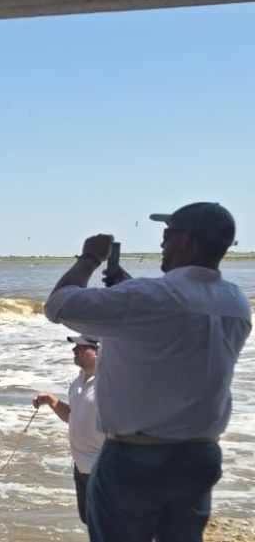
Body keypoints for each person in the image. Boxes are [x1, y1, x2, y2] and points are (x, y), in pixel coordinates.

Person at [44, 202, 251, 542]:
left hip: (136, 455)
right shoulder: (234, 301)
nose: (161, 244)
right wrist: (129, 288)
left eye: (167, 235)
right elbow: (176, 335)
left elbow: (59, 305)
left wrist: (90, 258)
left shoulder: (150, 297)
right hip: (199, 454)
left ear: (186, 240)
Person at [33, 334, 104, 526]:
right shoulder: (78, 381)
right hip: (81, 467)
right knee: (89, 520)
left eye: (81, 347)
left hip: (104, 468)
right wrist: (52, 401)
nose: (75, 350)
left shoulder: (109, 383)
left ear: (98, 352)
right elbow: (73, 417)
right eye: (75, 347)